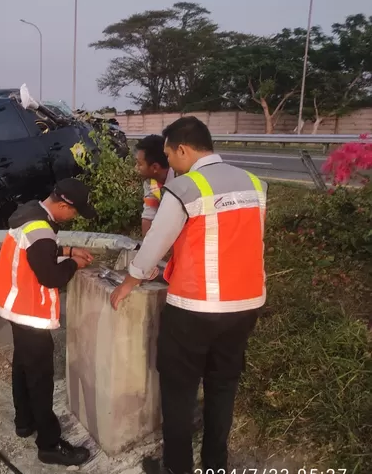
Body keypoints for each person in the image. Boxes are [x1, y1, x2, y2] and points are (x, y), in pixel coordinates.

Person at [109, 117, 267, 474]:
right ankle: (215, 465)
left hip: (195, 308)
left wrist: (129, 282)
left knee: (179, 394)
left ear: (183, 149)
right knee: (222, 387)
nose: (170, 163)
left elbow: (153, 247)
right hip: (245, 306)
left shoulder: (186, 188)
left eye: (169, 154)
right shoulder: (255, 183)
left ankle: (176, 468)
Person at [0, 178, 97, 467]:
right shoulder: (40, 230)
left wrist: (67, 252)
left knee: (22, 368)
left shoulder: (29, 213)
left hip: (14, 307)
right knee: (40, 379)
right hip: (30, 313)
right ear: (63, 205)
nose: (74, 217)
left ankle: (24, 421)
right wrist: (74, 264)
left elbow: (37, 254)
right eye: (74, 212)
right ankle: (49, 445)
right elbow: (50, 276)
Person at [135, 134, 176, 237]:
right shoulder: (150, 183)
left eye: (139, 164)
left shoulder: (180, 180)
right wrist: (146, 249)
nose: (136, 168)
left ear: (155, 167)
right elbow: (148, 216)